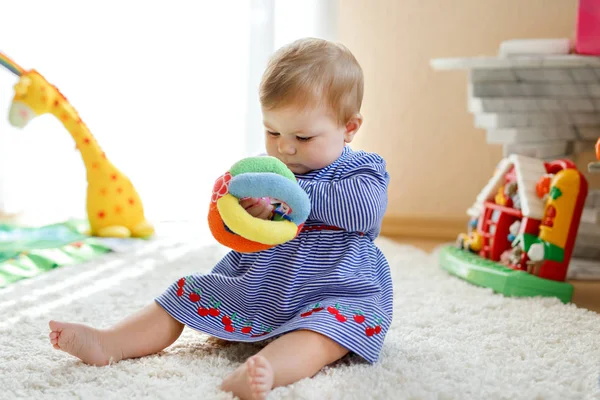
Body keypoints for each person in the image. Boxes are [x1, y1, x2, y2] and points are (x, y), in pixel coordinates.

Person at [49, 37, 392, 400]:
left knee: (325, 333)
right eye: (272, 131)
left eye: (303, 136)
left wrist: (295, 195)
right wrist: (251, 212)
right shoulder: (268, 172)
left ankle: (267, 369)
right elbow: (234, 230)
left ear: (350, 128)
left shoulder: (361, 169)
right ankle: (110, 341)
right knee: (187, 291)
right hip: (262, 285)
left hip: (332, 287)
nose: (285, 147)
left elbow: (364, 210)